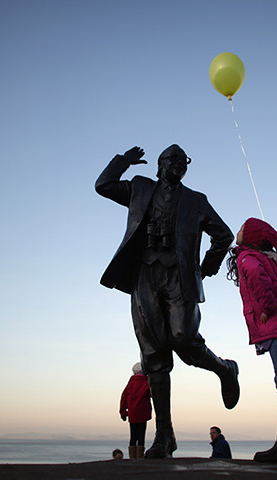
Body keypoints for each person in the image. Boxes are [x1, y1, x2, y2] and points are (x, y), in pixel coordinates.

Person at [96, 145, 239, 459]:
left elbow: (224, 235)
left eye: (184, 160)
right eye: (173, 159)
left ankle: (225, 370)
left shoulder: (196, 201)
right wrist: (123, 162)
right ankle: (165, 435)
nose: (179, 164)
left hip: (179, 277)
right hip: (144, 275)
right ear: (160, 165)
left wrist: (207, 267)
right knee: (154, 354)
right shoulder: (140, 188)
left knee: (183, 338)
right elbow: (102, 186)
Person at [226, 217, 277, 463]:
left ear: (251, 238)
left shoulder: (248, 258)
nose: (236, 232)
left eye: (241, 230)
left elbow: (259, 281)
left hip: (276, 326)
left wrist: (265, 309)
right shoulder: (264, 259)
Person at [119, 362, 152, 458]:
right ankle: (139, 456)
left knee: (133, 436)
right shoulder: (147, 382)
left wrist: (123, 412)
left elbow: (123, 397)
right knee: (141, 436)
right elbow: (151, 394)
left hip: (133, 414)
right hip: (143, 413)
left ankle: (132, 457)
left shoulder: (130, 384)